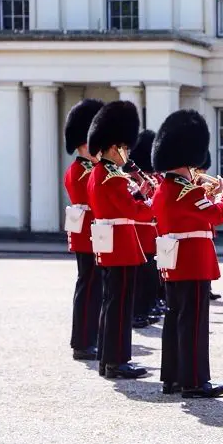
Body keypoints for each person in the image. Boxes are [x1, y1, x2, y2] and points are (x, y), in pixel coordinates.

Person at [151, 109, 223, 398]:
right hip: (193, 261)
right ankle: (194, 380)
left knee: (175, 319)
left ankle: (171, 377)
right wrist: (221, 192)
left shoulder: (165, 189)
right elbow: (218, 215)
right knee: (194, 321)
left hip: (173, 260)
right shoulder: (188, 192)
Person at [86, 101, 153, 379]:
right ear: (114, 148)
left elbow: (121, 204)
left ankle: (108, 358)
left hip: (111, 242)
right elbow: (131, 211)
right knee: (120, 304)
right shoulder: (112, 177)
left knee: (113, 301)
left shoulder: (99, 174)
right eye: (124, 148)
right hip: (120, 246)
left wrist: (139, 195)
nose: (127, 153)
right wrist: (154, 202)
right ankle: (116, 361)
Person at [63, 98, 105, 361]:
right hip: (89, 235)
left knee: (93, 288)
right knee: (89, 288)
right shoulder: (82, 170)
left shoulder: (87, 168)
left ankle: (89, 338)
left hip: (94, 235)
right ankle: (83, 342)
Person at [127, 129, 163, 327]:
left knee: (150, 275)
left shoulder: (150, 178)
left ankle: (148, 306)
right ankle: (138, 311)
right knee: (140, 277)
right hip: (138, 232)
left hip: (151, 232)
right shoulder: (131, 179)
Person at [194, 150, 223, 302]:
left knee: (209, 259)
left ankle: (209, 287)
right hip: (200, 227)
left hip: (207, 226)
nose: (203, 172)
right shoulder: (192, 186)